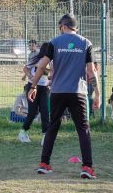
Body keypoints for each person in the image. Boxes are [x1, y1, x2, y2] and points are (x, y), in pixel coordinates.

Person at [28, 13, 100, 179]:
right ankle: (87, 168)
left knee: (52, 127)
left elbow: (41, 66)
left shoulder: (54, 42)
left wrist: (33, 86)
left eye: (59, 27)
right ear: (76, 28)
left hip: (58, 92)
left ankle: (44, 164)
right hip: (78, 92)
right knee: (83, 129)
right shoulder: (86, 43)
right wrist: (97, 94)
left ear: (63, 26)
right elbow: (91, 71)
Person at [18, 42, 51, 144]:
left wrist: (50, 80)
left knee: (45, 112)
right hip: (33, 87)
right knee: (32, 112)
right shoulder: (37, 59)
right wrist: (31, 77)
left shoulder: (51, 61)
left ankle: (45, 136)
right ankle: (23, 132)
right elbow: (25, 68)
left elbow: (48, 75)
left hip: (44, 89)